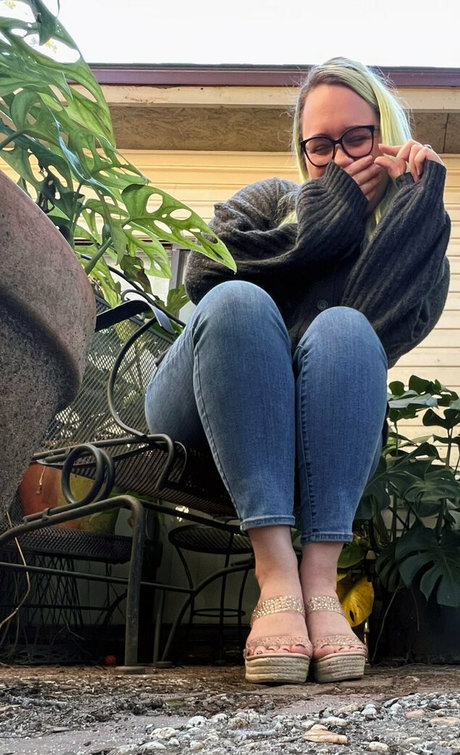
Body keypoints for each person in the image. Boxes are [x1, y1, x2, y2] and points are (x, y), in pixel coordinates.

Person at [145, 57, 450, 685]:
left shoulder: (410, 244)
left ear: (387, 135)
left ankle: (317, 581)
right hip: (198, 406)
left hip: (312, 435)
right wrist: (326, 219)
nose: (337, 161)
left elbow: (367, 342)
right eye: (320, 147)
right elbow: (203, 270)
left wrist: (411, 216)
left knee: (346, 329)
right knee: (238, 299)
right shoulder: (273, 199)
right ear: (302, 148)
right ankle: (276, 573)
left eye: (357, 138)